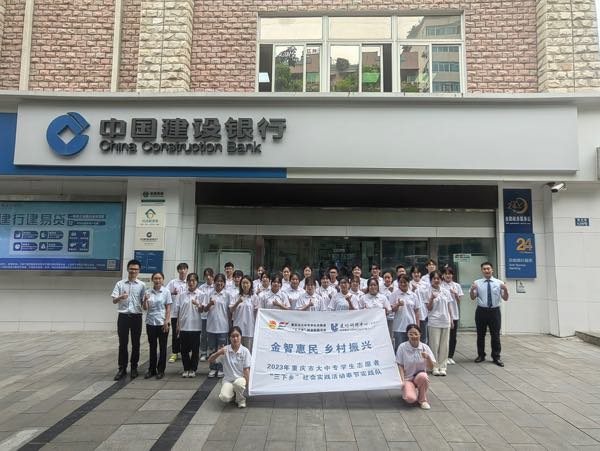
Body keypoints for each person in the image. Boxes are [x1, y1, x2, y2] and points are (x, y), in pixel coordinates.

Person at [111, 259, 146, 381]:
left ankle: (134, 367)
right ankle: (122, 368)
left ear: (139, 271)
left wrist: (146, 301)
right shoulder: (120, 284)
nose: (133, 271)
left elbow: (144, 303)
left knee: (136, 343)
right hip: (123, 316)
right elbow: (114, 300)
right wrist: (120, 297)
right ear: (127, 269)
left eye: (136, 269)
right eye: (131, 269)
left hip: (136, 316)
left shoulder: (142, 285)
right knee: (123, 343)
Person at [470, 261, 509, 366]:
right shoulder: (477, 283)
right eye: (484, 269)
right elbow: (472, 297)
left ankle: (496, 357)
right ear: (482, 270)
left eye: (488, 269)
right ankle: (481, 355)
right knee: (480, 334)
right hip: (481, 311)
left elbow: (505, 298)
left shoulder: (499, 282)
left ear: (492, 270)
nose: (486, 270)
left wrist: (505, 289)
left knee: (495, 335)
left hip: (494, 311)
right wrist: (472, 290)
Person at [208, 326, 251, 409]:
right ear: (229, 338)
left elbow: (246, 369)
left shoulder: (245, 351)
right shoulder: (225, 350)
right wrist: (218, 353)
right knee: (224, 397)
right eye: (233, 336)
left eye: (237, 336)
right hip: (228, 380)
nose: (235, 338)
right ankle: (234, 394)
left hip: (240, 379)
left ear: (241, 336)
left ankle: (241, 400)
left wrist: (248, 385)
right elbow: (210, 360)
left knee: (238, 384)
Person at [396, 324, 435, 410]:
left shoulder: (425, 347)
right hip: (407, 378)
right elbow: (400, 365)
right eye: (411, 334)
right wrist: (402, 380)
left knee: (423, 376)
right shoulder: (402, 347)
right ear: (407, 335)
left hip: (419, 377)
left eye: (416, 334)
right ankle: (408, 390)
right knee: (410, 399)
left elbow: (431, 368)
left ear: (420, 334)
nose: (413, 336)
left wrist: (428, 358)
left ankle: (423, 400)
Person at [142, 271, 172, 379]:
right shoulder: (148, 292)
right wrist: (145, 300)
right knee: (152, 347)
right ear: (152, 280)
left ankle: (161, 370)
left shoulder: (166, 292)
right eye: (155, 278)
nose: (157, 280)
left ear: (163, 280)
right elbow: (145, 308)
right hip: (150, 322)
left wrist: (166, 321)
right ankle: (152, 369)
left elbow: (168, 308)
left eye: (159, 278)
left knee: (163, 347)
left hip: (162, 323)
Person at [424, 270, 453, 376]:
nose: (436, 280)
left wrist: (451, 319)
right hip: (434, 321)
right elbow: (428, 308)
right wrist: (432, 298)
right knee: (434, 345)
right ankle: (434, 367)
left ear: (441, 279)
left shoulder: (445, 291)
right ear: (431, 280)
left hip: (445, 321)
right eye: (434, 278)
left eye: (438, 278)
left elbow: (449, 306)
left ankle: (443, 367)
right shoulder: (427, 291)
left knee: (445, 346)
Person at [203, 273, 232, 378]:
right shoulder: (210, 293)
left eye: (221, 281)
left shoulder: (227, 294)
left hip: (223, 326)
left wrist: (230, 324)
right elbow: (204, 309)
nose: (219, 283)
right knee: (211, 349)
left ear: (224, 283)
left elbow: (230, 310)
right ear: (214, 282)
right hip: (211, 326)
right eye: (217, 281)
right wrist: (210, 304)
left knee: (221, 350)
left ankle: (220, 368)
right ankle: (212, 368)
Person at [177, 273, 203, 378]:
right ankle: (186, 368)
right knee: (184, 350)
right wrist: (178, 324)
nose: (191, 283)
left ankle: (193, 369)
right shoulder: (182, 295)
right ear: (187, 282)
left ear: (197, 282)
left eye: (193, 281)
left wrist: (197, 304)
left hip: (196, 326)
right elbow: (178, 310)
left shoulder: (201, 294)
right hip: (184, 326)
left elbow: (203, 310)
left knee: (195, 350)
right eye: (189, 281)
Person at [390, 275, 420, 352]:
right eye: (401, 282)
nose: (403, 284)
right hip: (399, 327)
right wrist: (397, 305)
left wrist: (417, 325)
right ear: (398, 283)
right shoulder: (394, 294)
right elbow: (391, 310)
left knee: (412, 348)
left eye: (405, 282)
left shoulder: (413, 295)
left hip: (411, 326)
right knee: (399, 349)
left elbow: (417, 311)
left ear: (408, 282)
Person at [166, 262, 188, 363]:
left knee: (186, 334)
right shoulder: (173, 282)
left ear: (187, 270)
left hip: (187, 313)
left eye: (184, 269)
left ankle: (184, 352)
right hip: (175, 312)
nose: (182, 271)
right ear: (178, 270)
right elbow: (165, 293)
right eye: (181, 269)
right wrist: (172, 293)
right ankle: (175, 352)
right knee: (176, 333)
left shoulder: (190, 281)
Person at [229, 275, 259, 351]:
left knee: (248, 350)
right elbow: (231, 310)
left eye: (247, 283)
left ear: (251, 284)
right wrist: (238, 302)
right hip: (238, 327)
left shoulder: (254, 297)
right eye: (243, 283)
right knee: (236, 349)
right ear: (240, 284)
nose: (245, 285)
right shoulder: (236, 296)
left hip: (249, 328)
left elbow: (258, 312)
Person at [442, 267, 463, 365]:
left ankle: (450, 356)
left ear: (452, 275)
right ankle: (444, 356)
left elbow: (459, 301)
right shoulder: (440, 285)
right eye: (446, 274)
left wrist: (455, 294)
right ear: (443, 275)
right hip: (443, 314)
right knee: (444, 336)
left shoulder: (456, 285)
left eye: (449, 274)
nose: (448, 275)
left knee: (453, 337)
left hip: (454, 314)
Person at [198, 267, 215, 362]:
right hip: (204, 315)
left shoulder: (216, 286)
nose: (208, 277)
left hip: (213, 315)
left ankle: (211, 352)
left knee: (211, 334)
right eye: (206, 275)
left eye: (210, 275)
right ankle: (203, 352)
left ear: (213, 276)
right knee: (203, 335)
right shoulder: (201, 287)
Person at [410, 265, 428, 344]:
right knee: (413, 334)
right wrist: (412, 290)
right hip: (413, 313)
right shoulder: (409, 284)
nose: (416, 274)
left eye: (418, 272)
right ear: (411, 274)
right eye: (414, 273)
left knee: (423, 336)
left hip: (423, 313)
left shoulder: (426, 284)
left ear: (420, 273)